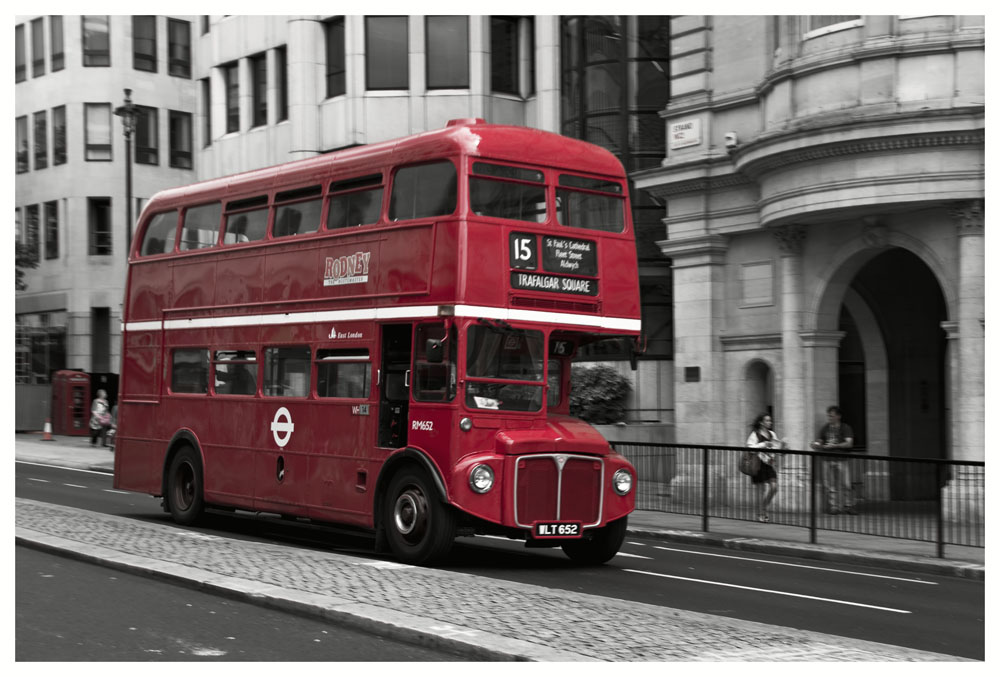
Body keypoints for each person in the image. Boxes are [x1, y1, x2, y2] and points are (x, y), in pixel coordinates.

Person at [811, 405, 856, 515]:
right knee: (830, 485)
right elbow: (820, 441)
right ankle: (833, 506)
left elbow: (849, 443)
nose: (829, 418)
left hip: (842, 459)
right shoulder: (825, 428)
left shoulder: (845, 428)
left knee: (846, 484)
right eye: (829, 416)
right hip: (827, 459)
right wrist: (816, 444)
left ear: (838, 416)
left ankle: (848, 505)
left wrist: (834, 446)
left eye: (832, 416)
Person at [746, 413, 782, 522]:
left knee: (774, 487)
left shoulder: (772, 434)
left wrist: (782, 447)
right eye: (767, 420)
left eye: (770, 421)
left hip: (769, 463)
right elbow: (750, 447)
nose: (769, 423)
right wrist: (763, 444)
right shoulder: (755, 434)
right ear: (761, 422)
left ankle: (763, 508)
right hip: (758, 463)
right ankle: (761, 513)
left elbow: (777, 447)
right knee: (760, 490)